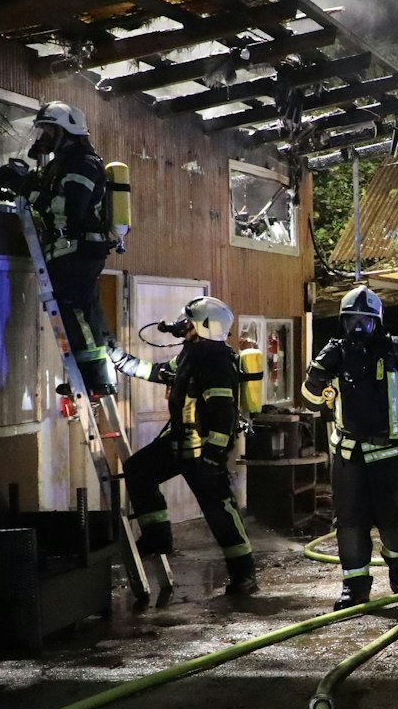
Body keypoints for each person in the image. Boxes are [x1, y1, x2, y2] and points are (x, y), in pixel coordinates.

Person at [109, 295, 257, 596]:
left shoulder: (216, 360)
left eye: (187, 321)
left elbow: (224, 414)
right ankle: (158, 537)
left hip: (204, 452)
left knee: (220, 512)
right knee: (138, 470)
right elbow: (161, 372)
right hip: (178, 441)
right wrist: (121, 360)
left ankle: (244, 576)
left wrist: (214, 457)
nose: (182, 325)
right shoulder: (192, 354)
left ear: (204, 326)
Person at [301, 286, 398, 611]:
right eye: (352, 321)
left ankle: (397, 567)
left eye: (365, 321)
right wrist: (317, 373)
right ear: (343, 322)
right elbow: (311, 402)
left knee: (393, 524)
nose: (358, 327)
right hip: (348, 459)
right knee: (349, 524)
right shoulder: (336, 355)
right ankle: (355, 587)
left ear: (378, 321)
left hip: (388, 456)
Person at [30, 102, 118, 396]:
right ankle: (87, 375)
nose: (43, 134)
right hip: (68, 252)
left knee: (77, 313)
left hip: (78, 251)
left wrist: (29, 192)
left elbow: (72, 209)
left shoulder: (83, 163)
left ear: (64, 132)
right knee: (76, 314)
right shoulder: (63, 163)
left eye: (48, 129)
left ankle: (95, 378)